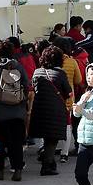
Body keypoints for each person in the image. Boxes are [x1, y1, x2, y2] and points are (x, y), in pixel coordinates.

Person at [0, 40, 30, 182]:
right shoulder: (17, 66)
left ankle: (0, 171)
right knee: (16, 143)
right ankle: (17, 170)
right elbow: (26, 86)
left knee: (0, 143)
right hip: (17, 112)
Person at [30, 46, 72, 176]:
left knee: (46, 136)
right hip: (55, 109)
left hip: (39, 109)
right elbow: (68, 92)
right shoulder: (60, 74)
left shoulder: (37, 72)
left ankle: (48, 159)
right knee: (52, 138)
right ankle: (47, 166)